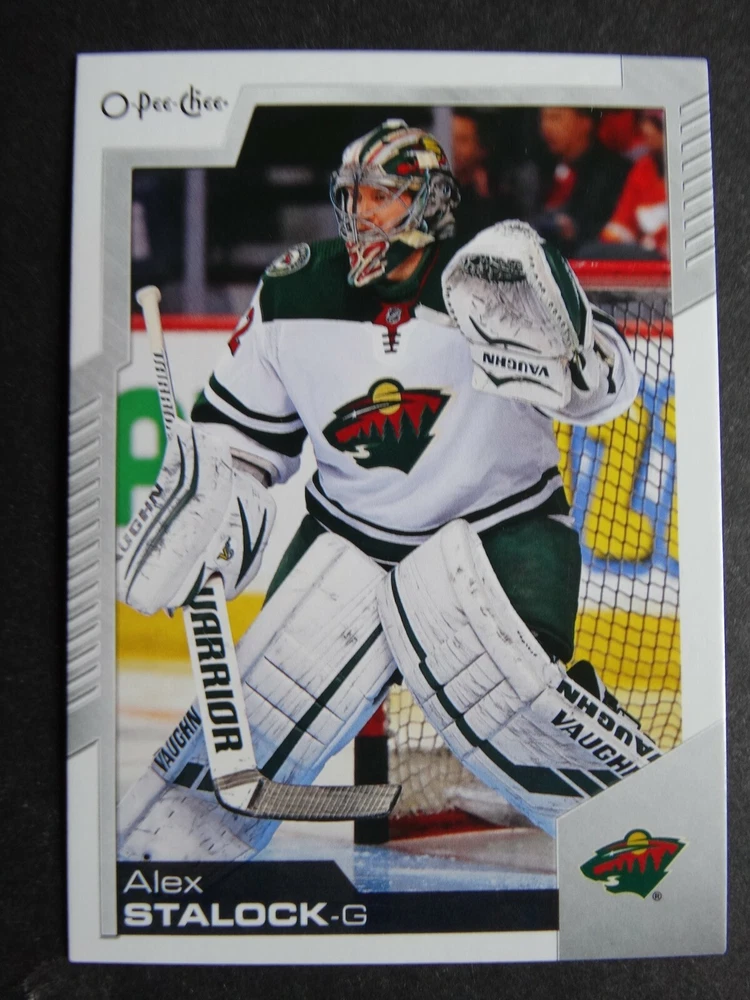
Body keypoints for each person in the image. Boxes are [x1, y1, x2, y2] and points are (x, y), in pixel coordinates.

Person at [117, 119, 657, 863]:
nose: (360, 212)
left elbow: (602, 390)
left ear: (430, 200)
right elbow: (237, 438)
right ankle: (170, 852)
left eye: (381, 196)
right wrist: (217, 503)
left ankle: (631, 826)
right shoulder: (296, 288)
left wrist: (573, 356)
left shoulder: (490, 282)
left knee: (513, 698)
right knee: (266, 701)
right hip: (350, 535)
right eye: (353, 196)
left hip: (500, 528)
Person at [533, 107, 630, 256]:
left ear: (585, 123)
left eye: (555, 118)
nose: (545, 127)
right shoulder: (538, 168)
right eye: (543, 119)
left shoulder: (615, 172)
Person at [599, 110, 668, 258]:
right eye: (644, 121)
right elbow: (623, 221)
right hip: (646, 250)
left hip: (672, 253)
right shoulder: (643, 168)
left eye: (654, 122)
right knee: (592, 252)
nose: (646, 128)